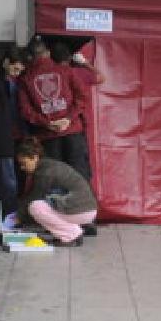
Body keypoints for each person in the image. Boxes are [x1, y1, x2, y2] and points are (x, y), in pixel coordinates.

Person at [16, 39, 91, 186]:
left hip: (47, 136)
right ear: (48, 53)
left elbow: (26, 111)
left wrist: (47, 123)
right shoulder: (66, 71)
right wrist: (69, 118)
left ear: (30, 57)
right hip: (72, 130)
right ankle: (82, 206)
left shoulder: (25, 79)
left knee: (53, 178)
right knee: (79, 175)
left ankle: (56, 208)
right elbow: (83, 96)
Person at [51, 41, 106, 237]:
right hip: (76, 130)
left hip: (52, 132)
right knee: (81, 174)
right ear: (70, 58)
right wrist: (84, 63)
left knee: (56, 175)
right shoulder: (78, 73)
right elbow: (100, 77)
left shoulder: (51, 75)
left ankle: (59, 218)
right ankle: (87, 220)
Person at [13, 137, 98, 247]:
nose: (22, 168)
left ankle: (71, 235)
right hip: (86, 209)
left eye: (24, 163)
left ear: (34, 157)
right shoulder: (48, 166)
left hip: (82, 210)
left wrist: (18, 217)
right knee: (40, 206)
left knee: (35, 207)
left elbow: (34, 197)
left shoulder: (45, 172)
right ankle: (72, 230)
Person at [0, 46, 28, 215]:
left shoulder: (10, 82)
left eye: (20, 70)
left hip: (12, 137)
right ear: (6, 62)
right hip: (3, 138)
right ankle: (11, 215)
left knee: (12, 179)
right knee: (8, 180)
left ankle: (11, 214)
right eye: (15, 68)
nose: (17, 73)